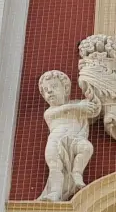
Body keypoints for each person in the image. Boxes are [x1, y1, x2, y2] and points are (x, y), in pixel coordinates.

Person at [38, 70, 100, 202]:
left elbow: (94, 111)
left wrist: (91, 98)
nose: (49, 91)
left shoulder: (78, 105)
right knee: (56, 168)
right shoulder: (50, 112)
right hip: (55, 143)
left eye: (54, 87)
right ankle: (54, 193)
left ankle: (76, 173)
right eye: (45, 90)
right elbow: (63, 110)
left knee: (87, 148)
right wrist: (78, 107)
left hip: (75, 140)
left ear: (66, 89)